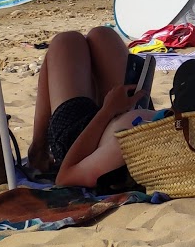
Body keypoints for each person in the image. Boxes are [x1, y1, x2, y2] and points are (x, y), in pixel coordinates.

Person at [26, 26, 156, 190]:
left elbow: (65, 176)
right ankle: (38, 150)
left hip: (82, 144)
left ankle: (39, 149)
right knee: (102, 34)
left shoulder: (120, 153)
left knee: (65, 41)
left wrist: (107, 110)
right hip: (119, 115)